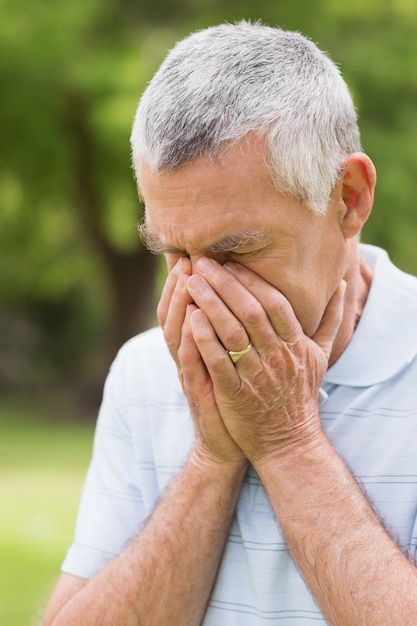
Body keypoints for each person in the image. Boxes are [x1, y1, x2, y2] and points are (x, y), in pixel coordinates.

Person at [42, 21, 417, 626]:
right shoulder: (144, 371)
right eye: (172, 253)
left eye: (234, 253)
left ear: (348, 197)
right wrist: (212, 462)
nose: (196, 297)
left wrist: (286, 442)